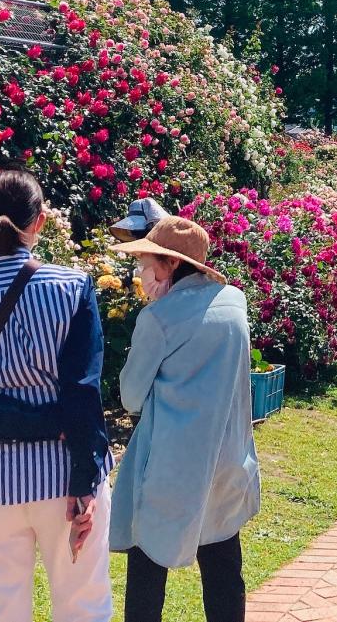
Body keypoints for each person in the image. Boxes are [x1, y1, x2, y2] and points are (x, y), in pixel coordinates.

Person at [0, 168, 112, 622]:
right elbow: (83, 392)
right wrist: (83, 473)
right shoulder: (71, 288)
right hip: (65, 476)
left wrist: (41, 423)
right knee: (82, 605)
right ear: (41, 220)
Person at [109, 216, 260, 622]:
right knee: (223, 564)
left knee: (147, 567)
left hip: (171, 466)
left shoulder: (159, 319)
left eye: (146, 261)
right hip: (228, 457)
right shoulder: (233, 303)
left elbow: (131, 396)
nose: (141, 270)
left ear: (171, 264)